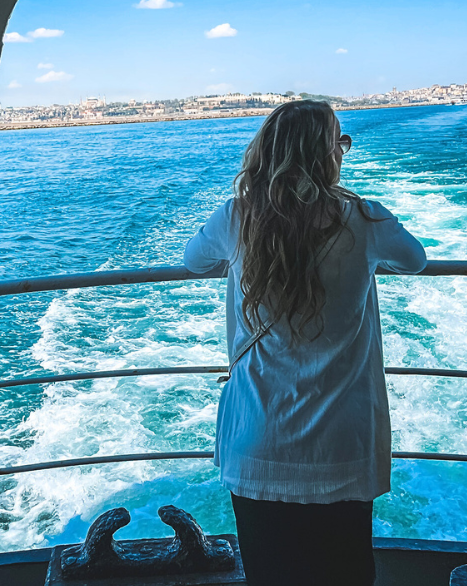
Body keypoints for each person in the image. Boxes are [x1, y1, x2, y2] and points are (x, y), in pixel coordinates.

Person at [183, 100, 426, 585]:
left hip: (259, 442)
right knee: (347, 573)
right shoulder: (366, 220)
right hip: (341, 445)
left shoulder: (236, 218)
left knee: (270, 574)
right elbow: (414, 259)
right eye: (340, 142)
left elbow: (194, 261)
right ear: (326, 155)